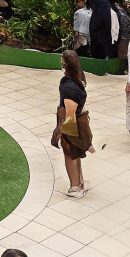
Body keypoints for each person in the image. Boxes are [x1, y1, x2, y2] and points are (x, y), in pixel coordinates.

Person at [54, 50, 94, 198]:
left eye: (62, 60)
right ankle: (80, 181)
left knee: (70, 154)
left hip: (71, 123)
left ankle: (75, 186)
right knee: (75, 153)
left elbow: (69, 111)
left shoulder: (69, 87)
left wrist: (62, 130)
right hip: (76, 120)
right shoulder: (78, 81)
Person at [111, 0, 130, 75]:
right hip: (124, 35)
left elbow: (123, 26)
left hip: (124, 36)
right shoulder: (120, 10)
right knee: (122, 52)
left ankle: (123, 69)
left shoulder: (119, 13)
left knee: (122, 53)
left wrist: (119, 37)